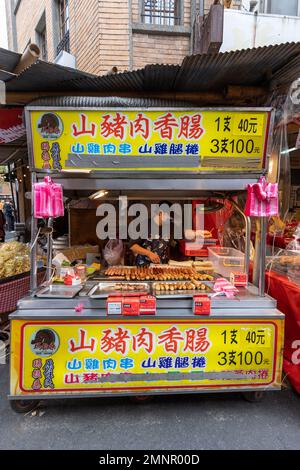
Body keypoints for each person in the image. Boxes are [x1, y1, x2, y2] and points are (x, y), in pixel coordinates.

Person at [129, 202, 173, 266]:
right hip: (143, 266)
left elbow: (172, 243)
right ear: (160, 213)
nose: (169, 218)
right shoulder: (144, 225)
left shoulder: (169, 227)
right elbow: (132, 246)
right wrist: (149, 253)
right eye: (168, 215)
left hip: (161, 266)